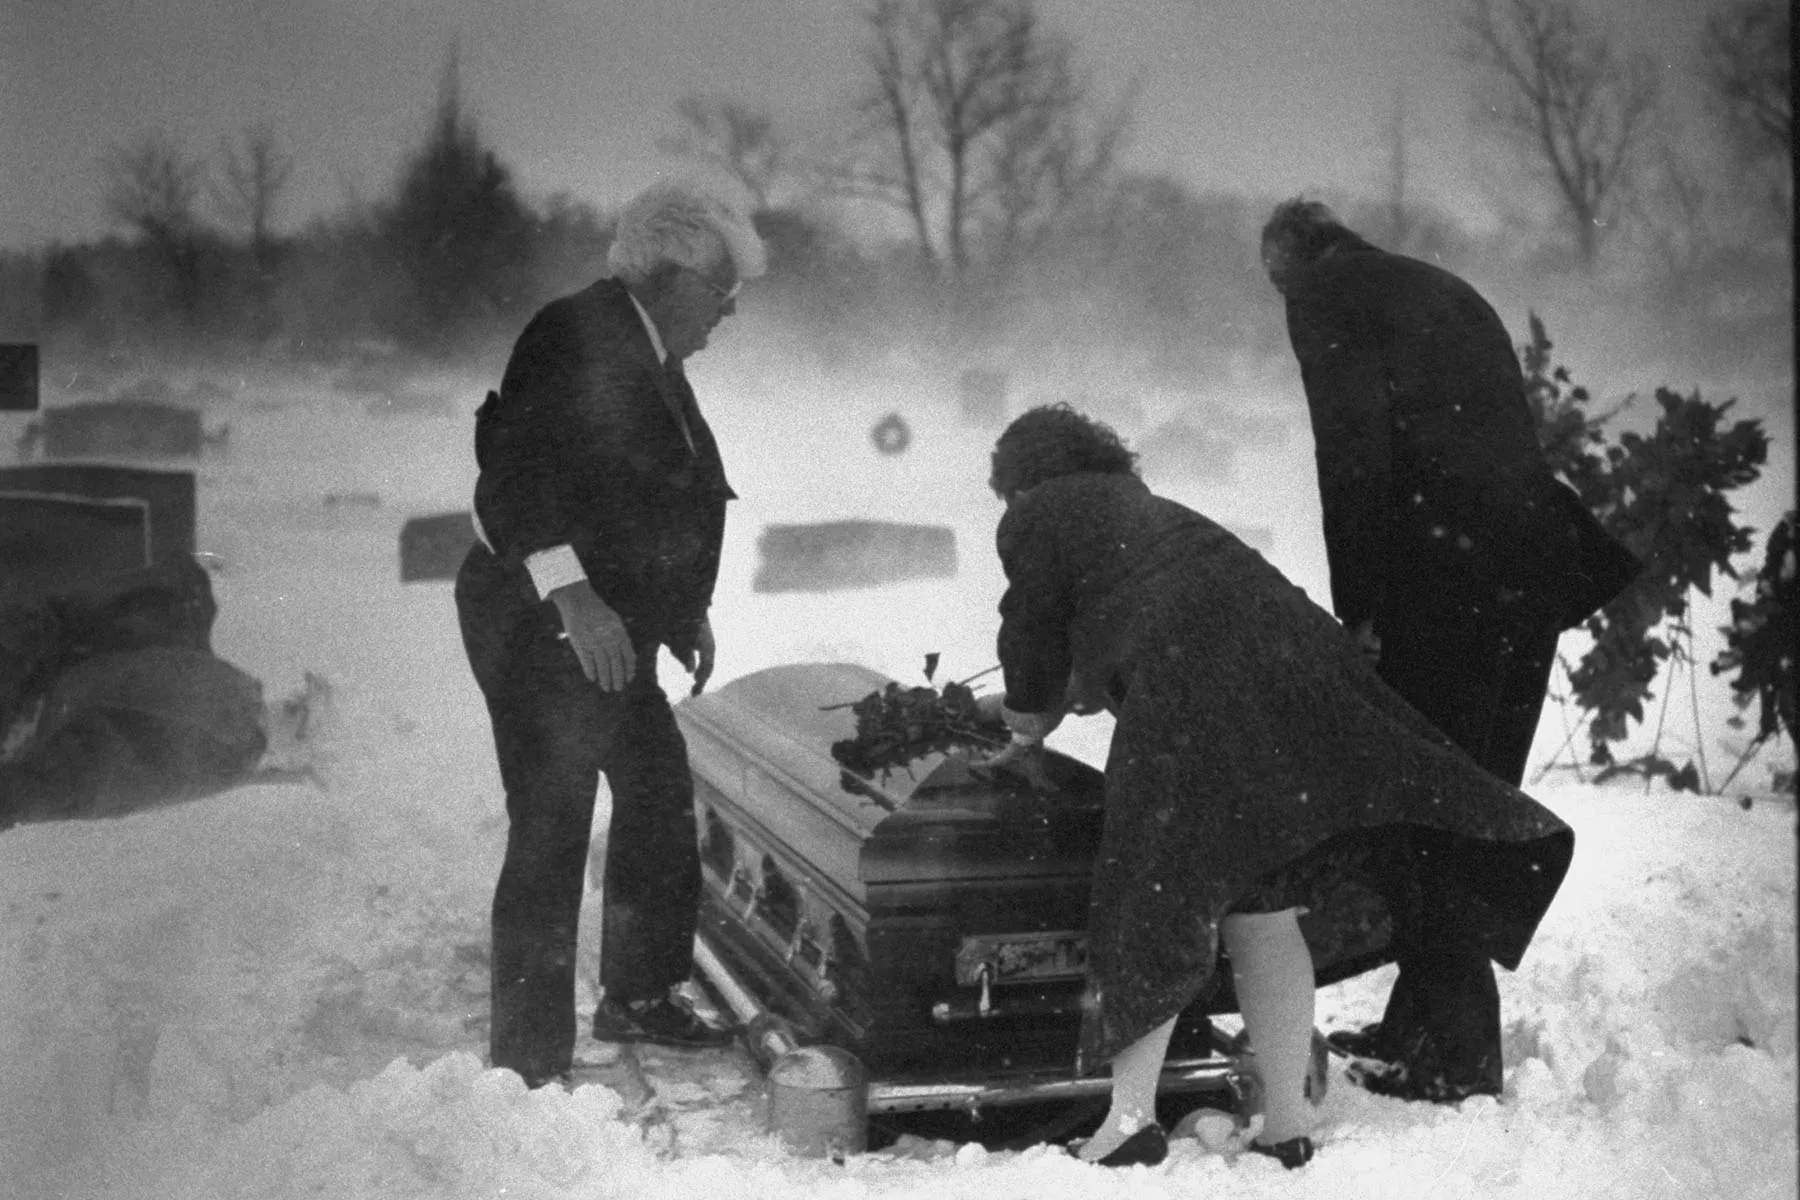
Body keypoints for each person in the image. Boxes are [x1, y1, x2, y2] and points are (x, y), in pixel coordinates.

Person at [983, 405, 1576, 1168]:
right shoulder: (1145, 509)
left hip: (1197, 689)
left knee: (1149, 894)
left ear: (1021, 480)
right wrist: (1071, 690)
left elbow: (1031, 631)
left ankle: (1128, 1121)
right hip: (1296, 665)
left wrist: (1024, 723)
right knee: (1262, 902)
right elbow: (1133, 621)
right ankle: (1289, 1124)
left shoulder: (1038, 515)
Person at [1261, 199, 1639, 1101]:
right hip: (1527, 571)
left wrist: (1360, 610)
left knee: (1428, 802)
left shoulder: (1324, 294)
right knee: (1466, 792)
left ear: (1290, 263)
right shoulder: (1436, 284)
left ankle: (1458, 1058)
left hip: (1449, 583)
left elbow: (1352, 454)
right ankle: (1420, 1027)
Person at [454, 180, 766, 1089]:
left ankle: (639, 992)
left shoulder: (649, 348)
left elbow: (652, 496)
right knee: (552, 821)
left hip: (611, 620)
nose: (731, 309)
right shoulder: (573, 334)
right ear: (669, 276)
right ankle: (526, 1060)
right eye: (721, 289)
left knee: (658, 793)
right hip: (535, 616)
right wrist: (574, 598)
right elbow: (509, 477)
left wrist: (682, 611)